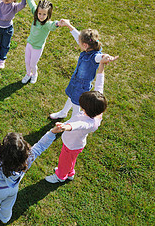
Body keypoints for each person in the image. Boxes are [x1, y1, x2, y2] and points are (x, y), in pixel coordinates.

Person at [0, 125, 62, 226]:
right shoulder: (27, 159)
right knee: (8, 205)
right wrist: (52, 133)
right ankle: (4, 218)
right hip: (13, 188)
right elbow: (40, 146)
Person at [45, 55, 118, 183]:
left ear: (87, 108)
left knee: (64, 161)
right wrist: (101, 66)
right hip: (77, 146)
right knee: (71, 160)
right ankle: (70, 172)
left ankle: (60, 176)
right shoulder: (97, 111)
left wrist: (64, 127)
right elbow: (100, 86)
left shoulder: (88, 122)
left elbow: (78, 125)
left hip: (70, 145)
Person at [49, 20, 117, 119]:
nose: (78, 43)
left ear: (85, 45)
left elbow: (100, 57)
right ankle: (64, 112)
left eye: (79, 43)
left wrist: (106, 56)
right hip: (75, 81)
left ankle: (73, 121)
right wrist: (69, 25)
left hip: (82, 87)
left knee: (76, 105)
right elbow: (78, 37)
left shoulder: (94, 56)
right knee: (71, 97)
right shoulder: (88, 47)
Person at [21, 0, 61, 84]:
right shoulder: (35, 15)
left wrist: (58, 23)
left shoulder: (47, 24)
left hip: (37, 47)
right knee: (27, 61)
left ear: (48, 15)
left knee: (33, 63)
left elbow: (53, 25)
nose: (41, 16)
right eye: (40, 14)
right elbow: (31, 3)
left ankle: (34, 74)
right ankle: (28, 74)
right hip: (30, 44)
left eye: (44, 14)